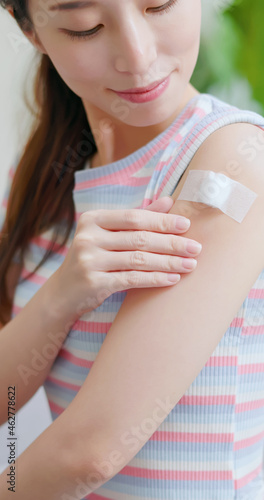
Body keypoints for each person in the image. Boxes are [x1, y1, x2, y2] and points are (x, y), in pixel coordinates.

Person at [0, 0, 264, 498]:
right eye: (86, 27)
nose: (138, 57)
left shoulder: (229, 163)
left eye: (159, 4)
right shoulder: (40, 178)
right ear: (30, 30)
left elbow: (90, 455)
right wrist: (61, 296)